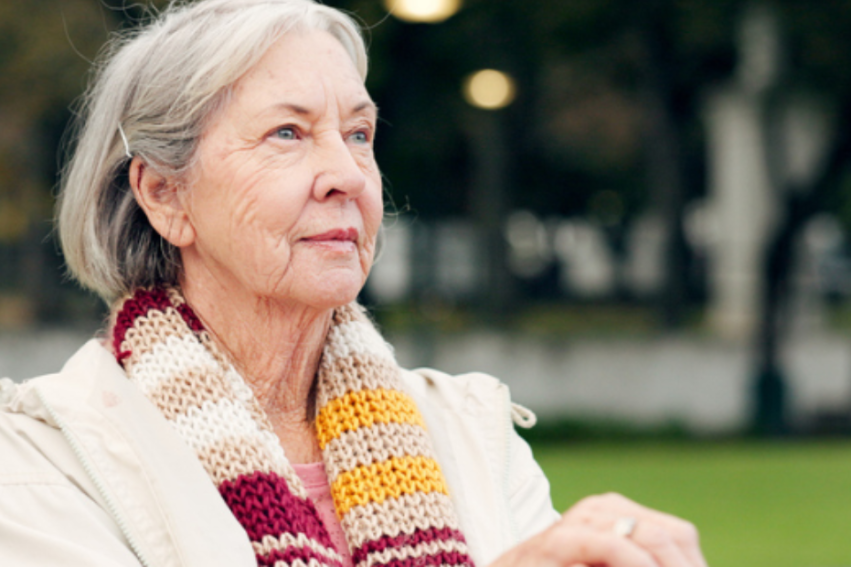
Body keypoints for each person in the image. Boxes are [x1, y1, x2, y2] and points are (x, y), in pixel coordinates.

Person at [0, 1, 707, 565]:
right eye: (288, 133)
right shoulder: (43, 459)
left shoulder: (470, 429)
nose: (347, 174)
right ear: (164, 196)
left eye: (359, 134)